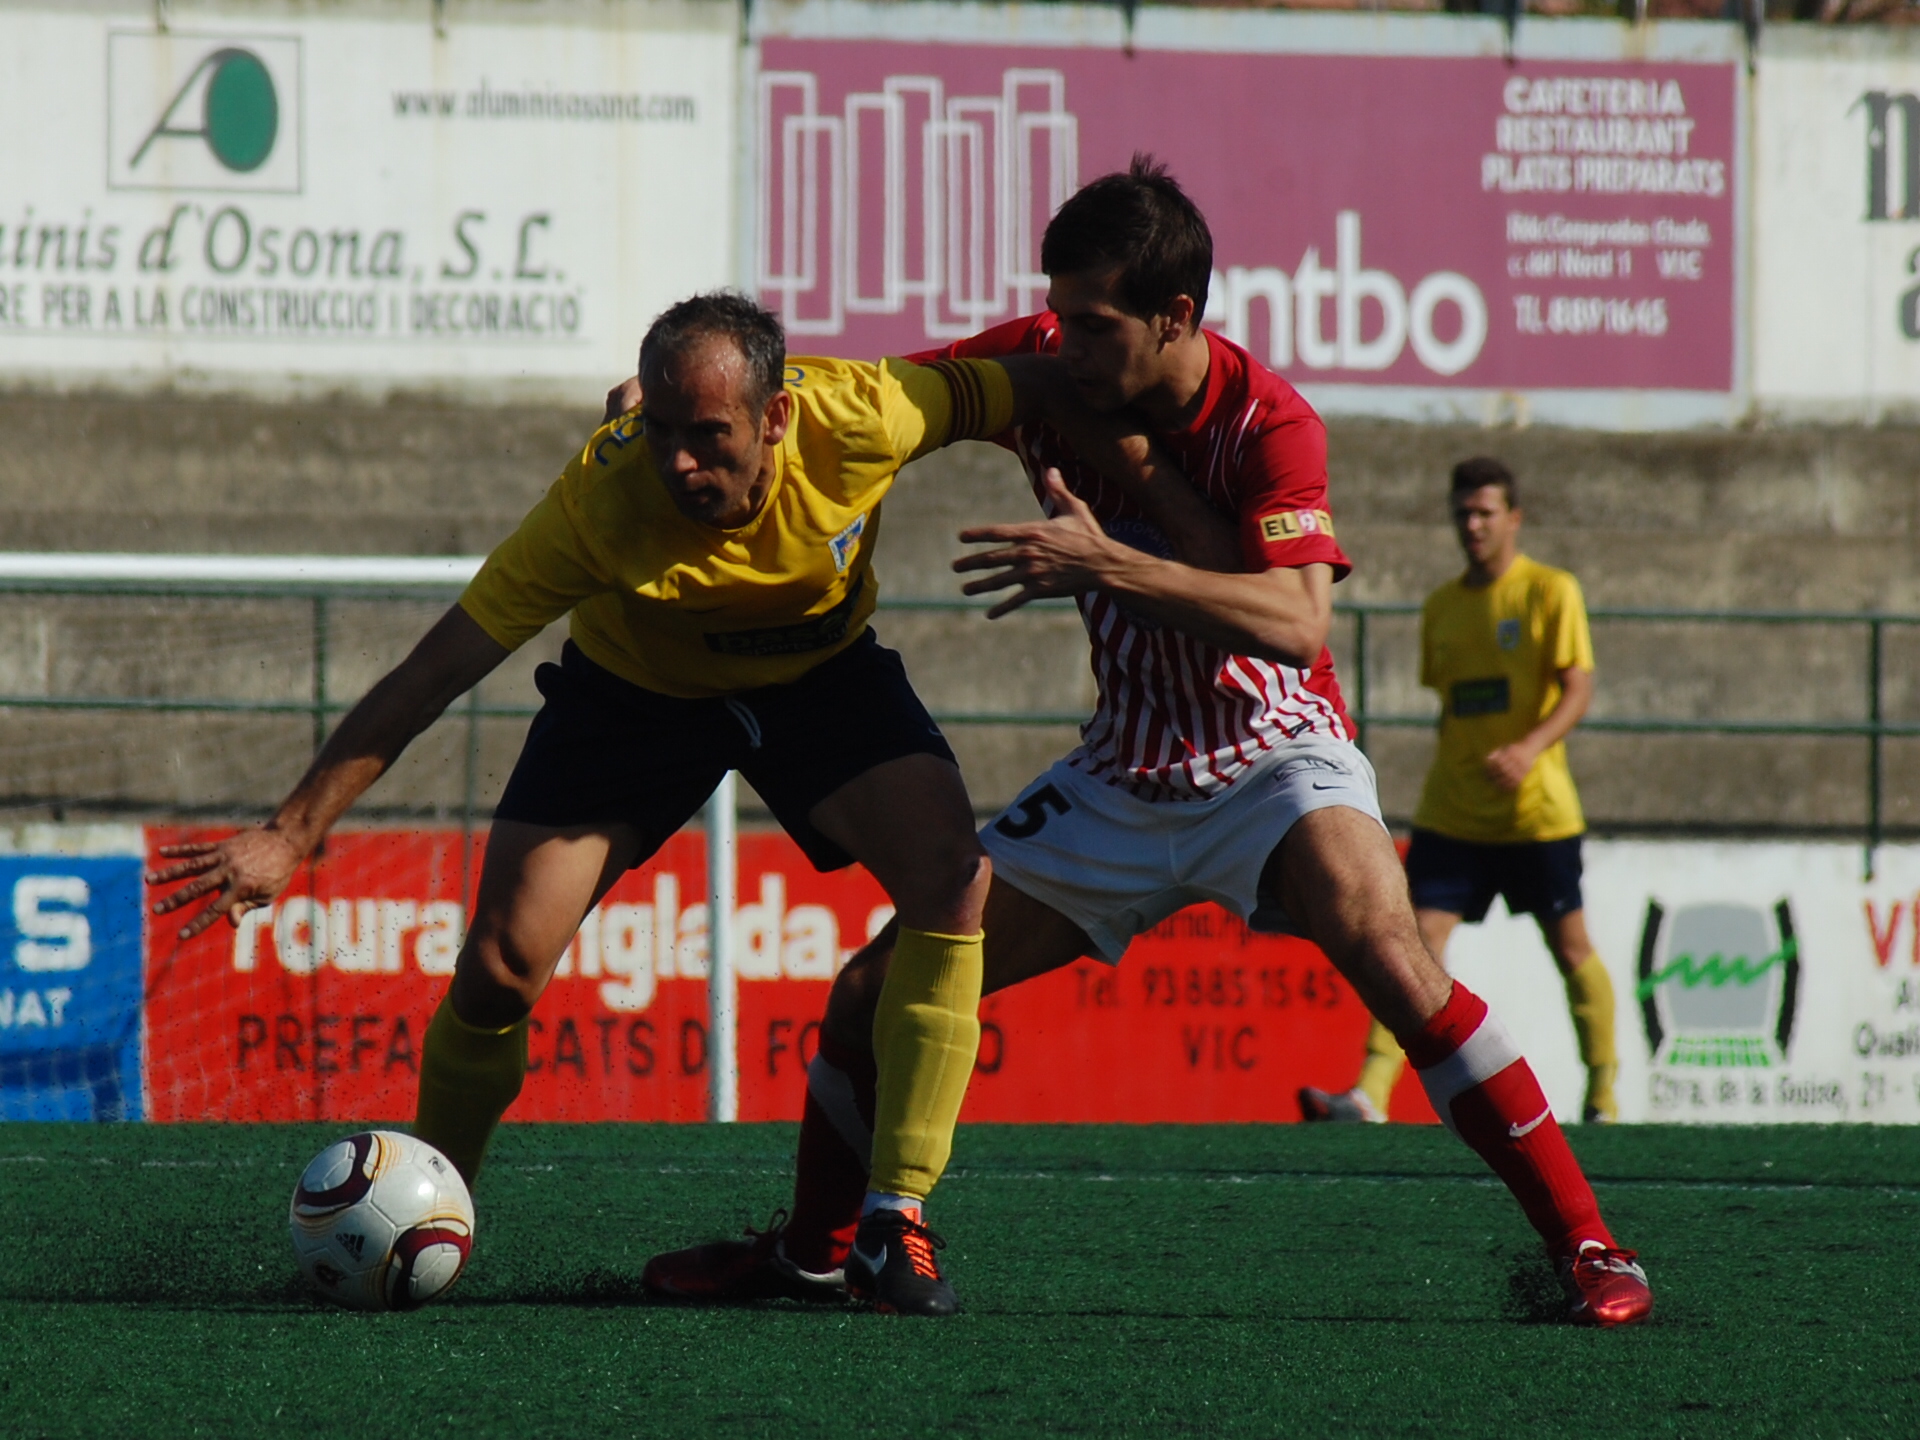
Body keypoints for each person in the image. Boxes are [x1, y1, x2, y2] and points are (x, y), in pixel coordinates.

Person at [641, 160, 1653, 1327]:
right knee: (872, 990)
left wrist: (1104, 559)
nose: (1060, 341)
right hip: (1126, 772)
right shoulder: (1051, 355)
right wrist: (692, 408)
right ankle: (814, 1254)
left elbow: (1296, 621)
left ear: (1176, 317)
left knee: (1388, 945)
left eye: (1093, 321)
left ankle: (1592, 1249)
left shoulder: (1270, 421)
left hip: (1275, 755)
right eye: (1056, 311)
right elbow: (876, 396)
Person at [145, 292, 1098, 1315]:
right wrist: (292, 833)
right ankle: (433, 1200)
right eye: (662, 432)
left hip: (820, 682)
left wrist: (1119, 459)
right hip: (632, 701)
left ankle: (890, 1223)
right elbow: (433, 672)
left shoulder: (867, 413)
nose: (681, 462)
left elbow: (1032, 377)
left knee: (951, 883)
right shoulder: (597, 504)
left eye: (709, 435)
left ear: (777, 419)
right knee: (503, 967)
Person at [1301, 458, 1615, 1125]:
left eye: (1485, 513)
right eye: (1462, 514)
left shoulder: (1549, 592)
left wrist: (1529, 750)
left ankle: (1605, 1097)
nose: (1472, 526)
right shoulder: (1443, 607)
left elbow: (1578, 686)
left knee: (1571, 949)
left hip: (1536, 814)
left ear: (1513, 518)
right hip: (1454, 813)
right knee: (1408, 943)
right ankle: (1371, 1093)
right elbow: (1454, 707)